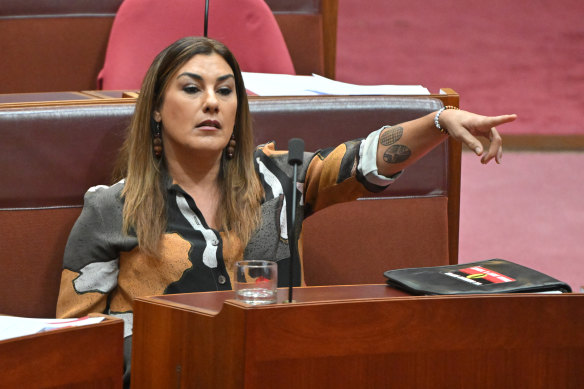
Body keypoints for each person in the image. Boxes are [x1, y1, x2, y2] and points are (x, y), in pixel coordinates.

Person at [56, 36, 516, 384]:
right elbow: (79, 342)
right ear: (156, 107)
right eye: (192, 89)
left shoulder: (279, 180)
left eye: (226, 90)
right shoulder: (112, 207)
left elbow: (362, 160)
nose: (212, 102)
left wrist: (440, 121)